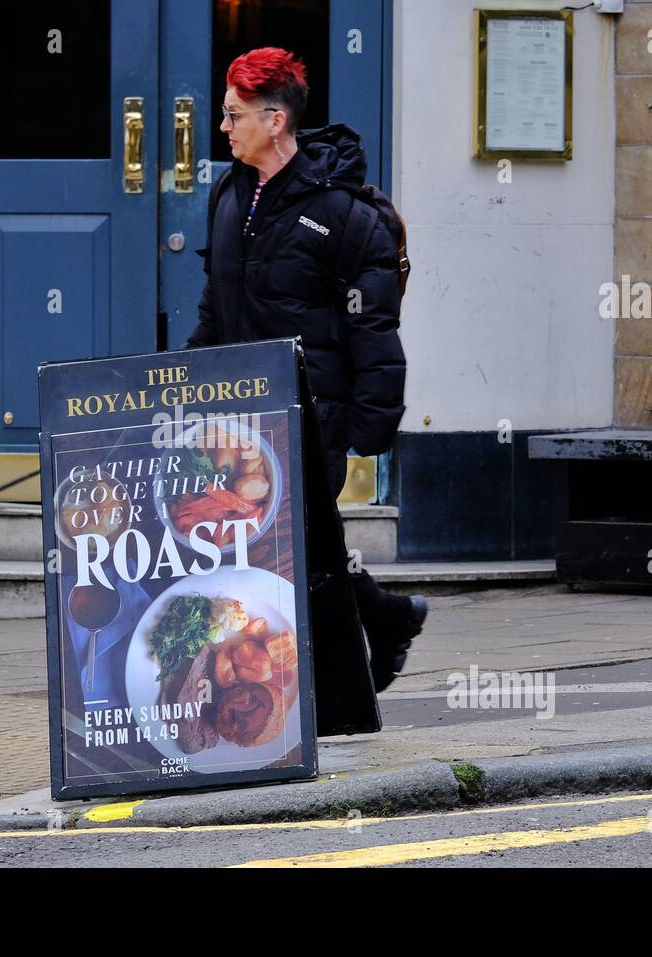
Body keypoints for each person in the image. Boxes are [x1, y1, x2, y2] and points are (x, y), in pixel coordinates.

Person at [187, 47, 426, 692]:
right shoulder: (230, 193)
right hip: (241, 409)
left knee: (294, 546)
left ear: (275, 120)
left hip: (313, 409)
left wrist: (370, 427)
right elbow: (218, 299)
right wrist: (184, 380)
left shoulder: (346, 213)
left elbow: (372, 327)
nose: (224, 128)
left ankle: (321, 686)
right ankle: (383, 619)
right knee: (290, 545)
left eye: (235, 115)